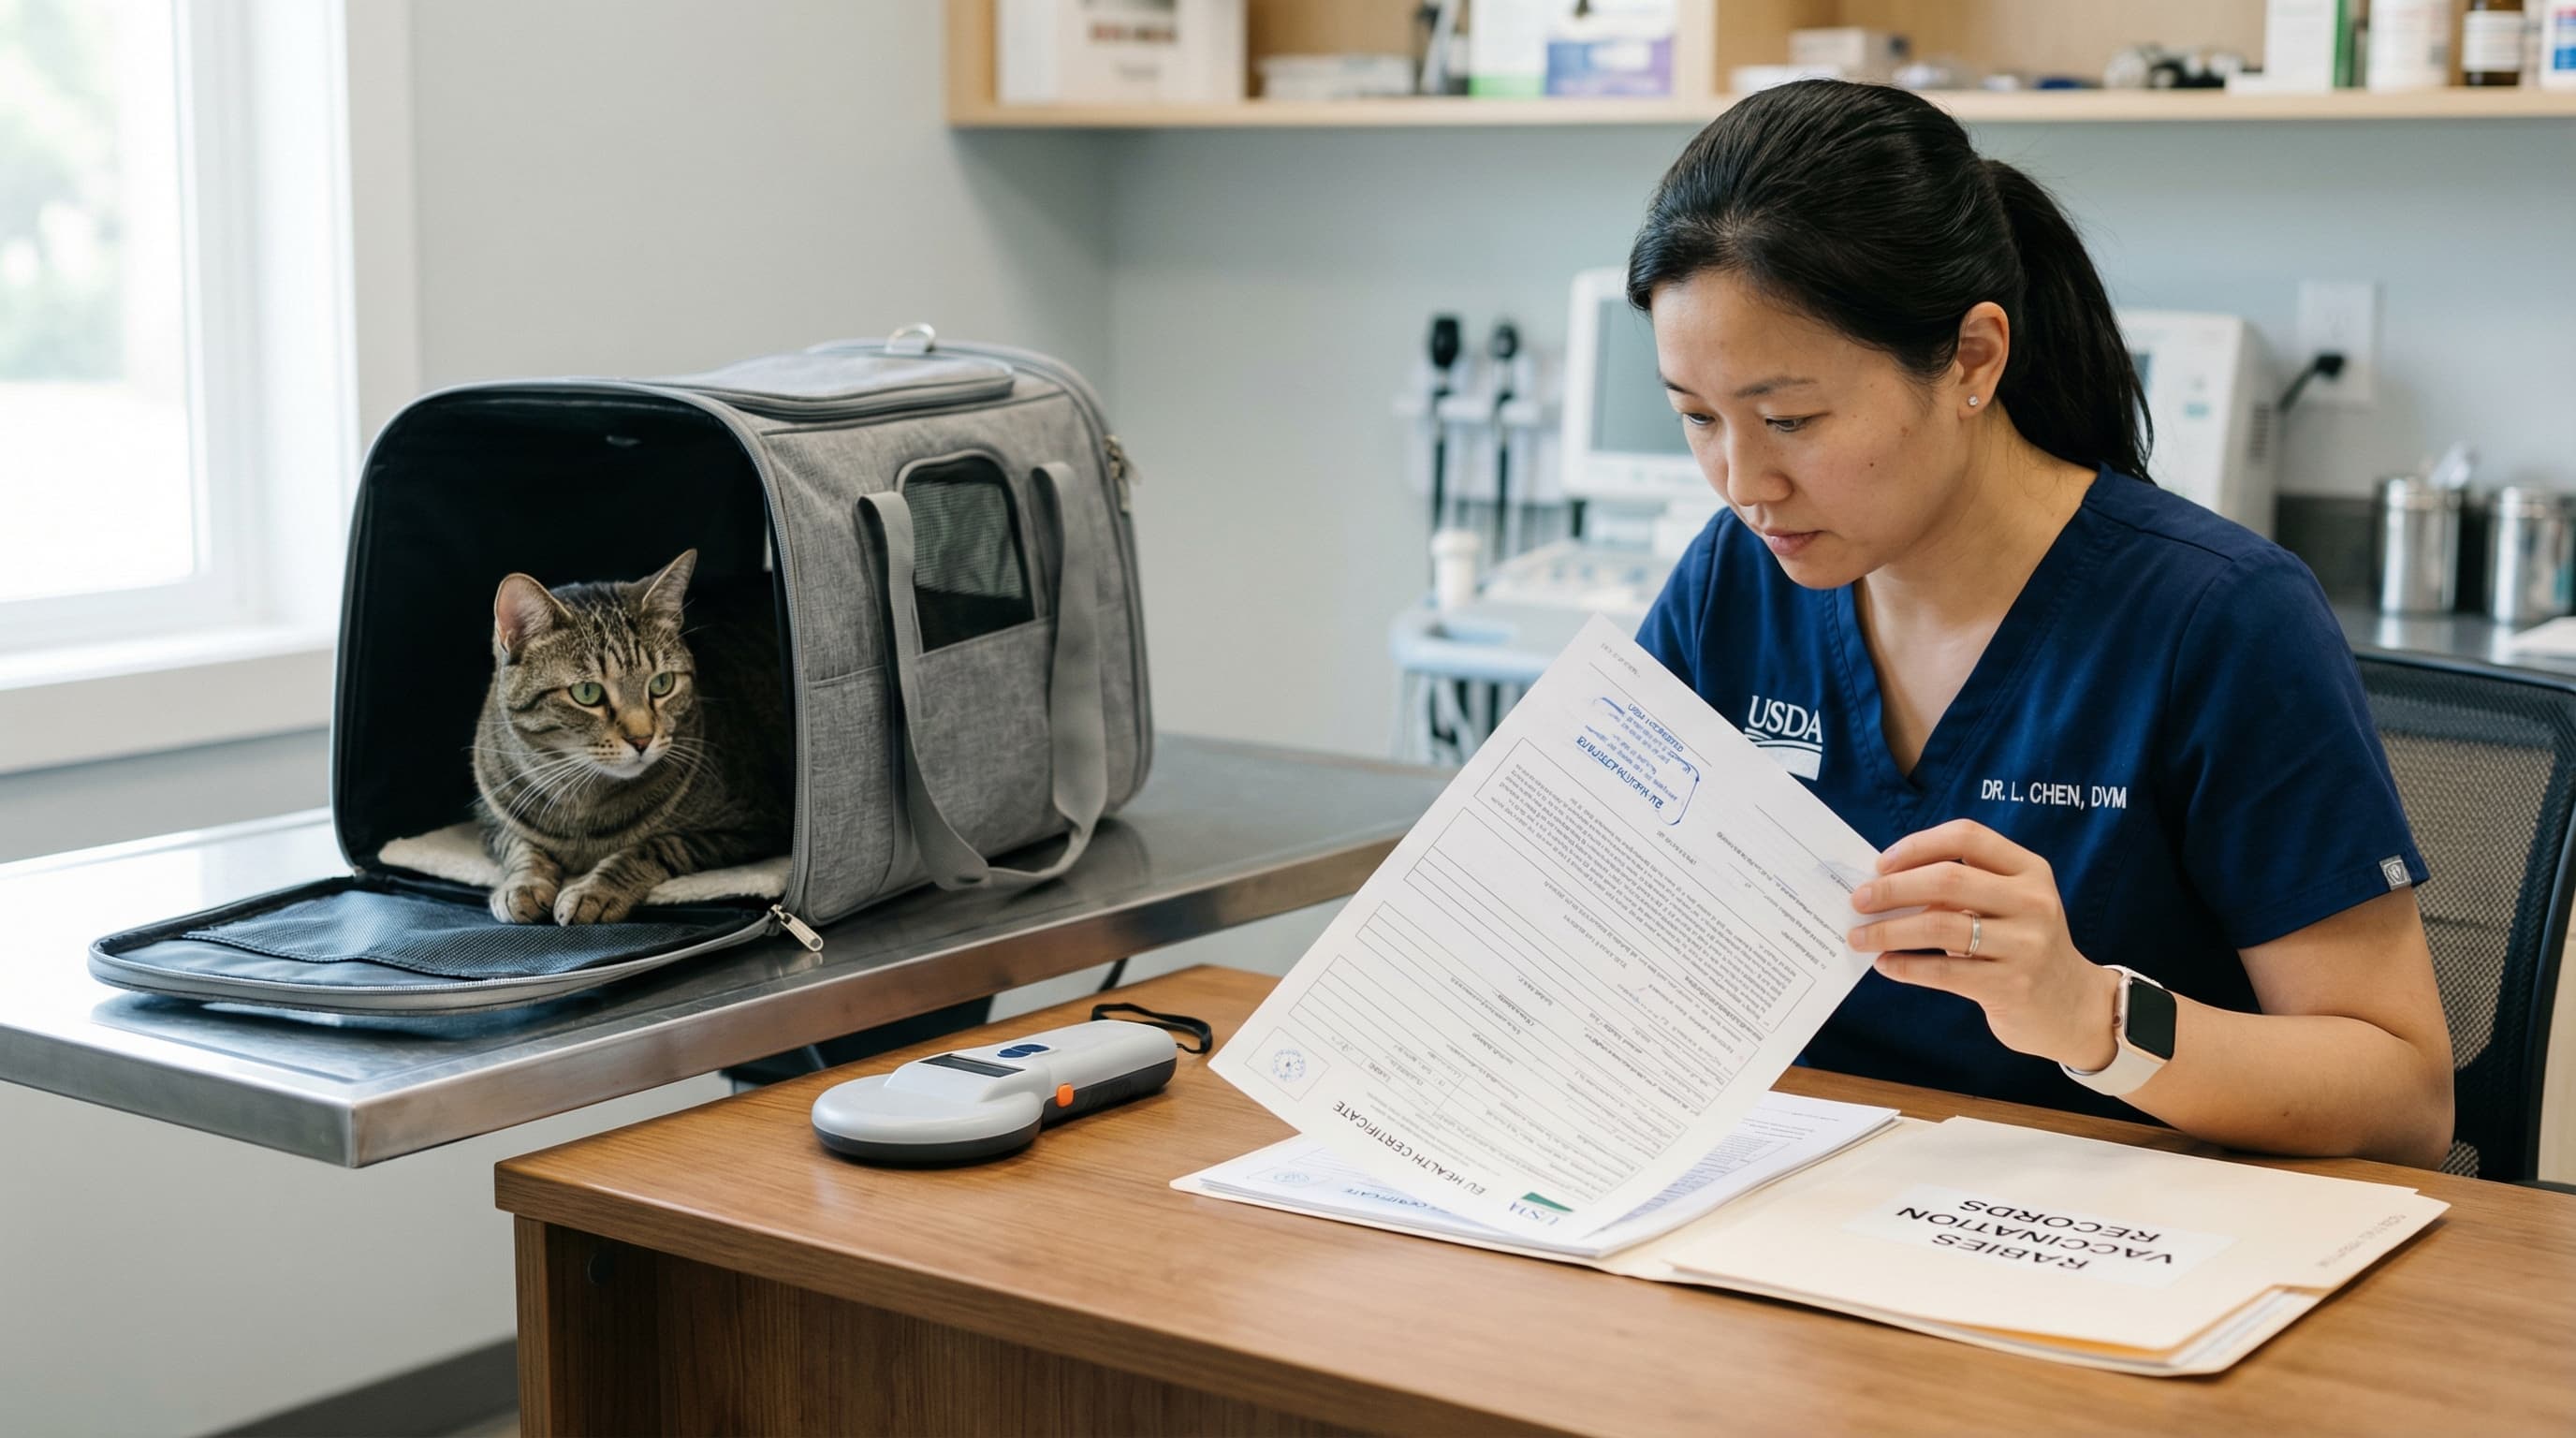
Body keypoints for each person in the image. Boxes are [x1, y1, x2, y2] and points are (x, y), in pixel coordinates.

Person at [1628, 81, 2453, 1167]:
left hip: (2112, 1247)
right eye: (1697, 418)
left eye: (1790, 419)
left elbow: (2403, 1098)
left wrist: (2089, 1016)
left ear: (1971, 359)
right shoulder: (1731, 584)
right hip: (1798, 1210)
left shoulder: (2216, 619)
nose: (1743, 483)